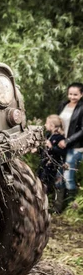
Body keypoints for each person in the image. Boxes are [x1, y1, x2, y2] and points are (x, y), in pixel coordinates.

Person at [55, 82, 83, 212]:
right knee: (59, 176)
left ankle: (72, 209)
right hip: (61, 145)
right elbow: (57, 123)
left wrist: (68, 141)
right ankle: (58, 207)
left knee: (68, 176)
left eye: (75, 94)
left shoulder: (82, 108)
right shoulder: (63, 105)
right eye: (70, 94)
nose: (72, 96)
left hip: (75, 146)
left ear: (81, 94)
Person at [37, 114, 66, 194]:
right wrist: (38, 150)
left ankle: (46, 202)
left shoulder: (60, 138)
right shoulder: (48, 135)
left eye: (46, 123)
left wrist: (51, 147)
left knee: (46, 186)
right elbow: (44, 151)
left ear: (52, 126)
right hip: (43, 165)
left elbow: (62, 152)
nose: (45, 125)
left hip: (52, 167)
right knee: (38, 183)